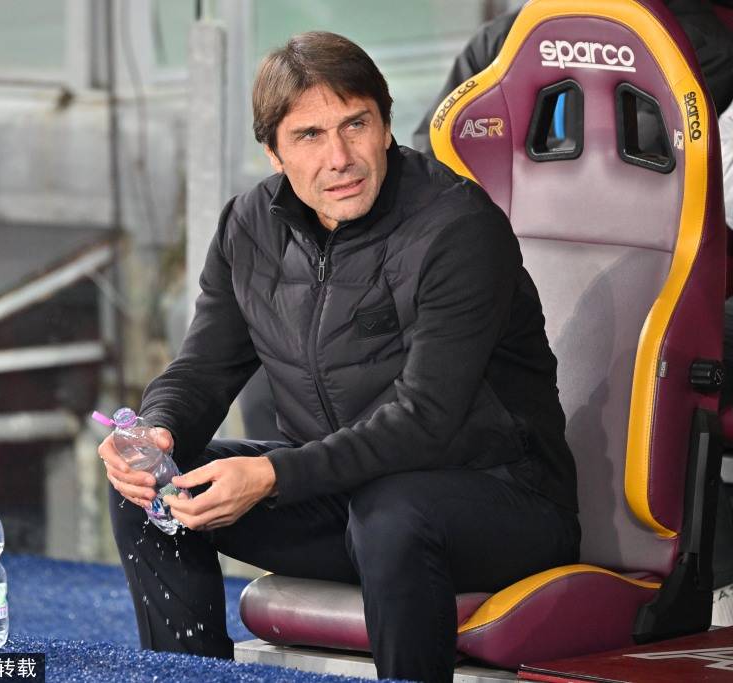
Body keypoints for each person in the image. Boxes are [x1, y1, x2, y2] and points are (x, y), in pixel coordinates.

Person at [100, 31, 580, 683]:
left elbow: (426, 419)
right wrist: (154, 433)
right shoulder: (249, 227)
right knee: (153, 486)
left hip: (502, 503)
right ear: (273, 152)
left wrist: (273, 475)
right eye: (309, 136)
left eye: (356, 124)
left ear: (386, 125)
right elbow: (202, 370)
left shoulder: (458, 228)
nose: (340, 158)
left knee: (394, 513)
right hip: (344, 497)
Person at [411, 0, 733, 154]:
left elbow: (631, 160)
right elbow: (436, 143)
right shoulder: (503, 38)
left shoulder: (693, 47)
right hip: (501, 231)